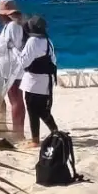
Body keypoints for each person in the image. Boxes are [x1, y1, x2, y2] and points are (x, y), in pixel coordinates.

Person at [17, 15, 58, 147]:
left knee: (33, 109)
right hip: (46, 80)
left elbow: (24, 62)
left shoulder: (32, 41)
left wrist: (16, 53)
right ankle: (55, 131)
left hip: (33, 81)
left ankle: (36, 140)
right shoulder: (48, 41)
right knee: (42, 110)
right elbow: (53, 61)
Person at [0, 0, 26, 142]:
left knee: (15, 100)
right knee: (15, 100)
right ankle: (18, 132)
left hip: (12, 68)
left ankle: (18, 133)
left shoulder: (12, 26)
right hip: (10, 67)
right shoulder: (11, 26)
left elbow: (7, 47)